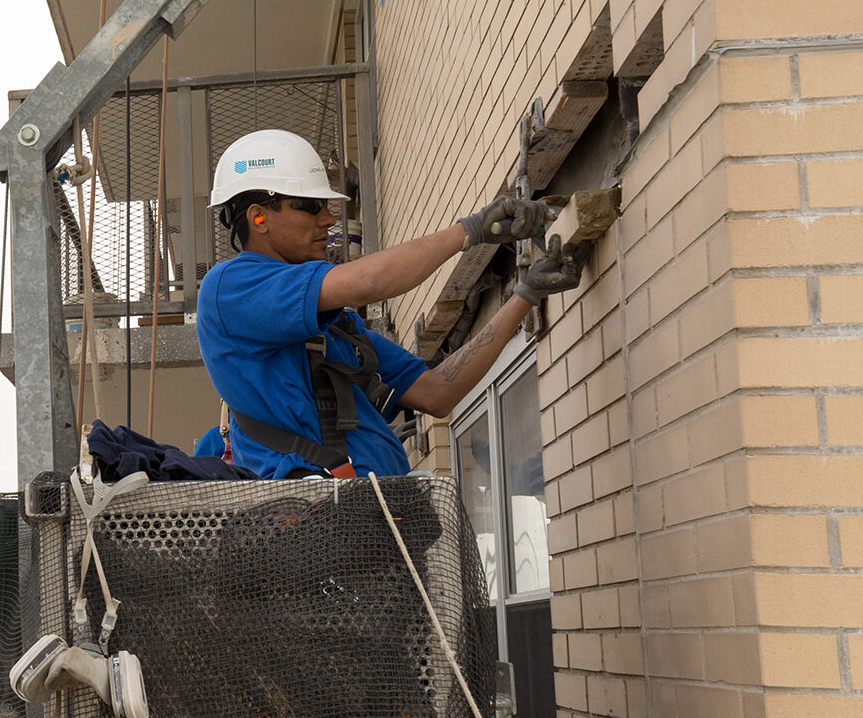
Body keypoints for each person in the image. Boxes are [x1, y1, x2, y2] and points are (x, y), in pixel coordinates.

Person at [196, 129, 579, 478]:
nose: (328, 219)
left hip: (366, 522)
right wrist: (470, 231)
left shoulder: (334, 328)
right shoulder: (229, 288)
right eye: (309, 205)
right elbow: (365, 282)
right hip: (313, 527)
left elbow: (436, 392)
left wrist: (526, 295)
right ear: (258, 217)